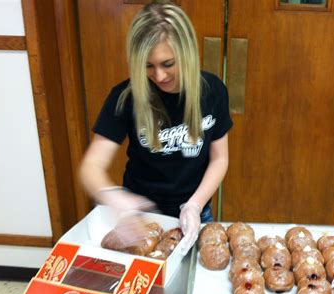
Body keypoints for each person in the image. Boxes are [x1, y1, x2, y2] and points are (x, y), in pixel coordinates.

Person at [79, 1, 232, 255]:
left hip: (195, 209)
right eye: (148, 66)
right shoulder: (126, 97)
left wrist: (194, 205)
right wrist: (115, 198)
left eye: (168, 63)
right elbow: (91, 167)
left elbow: (219, 158)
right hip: (140, 218)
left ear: (187, 53)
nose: (159, 76)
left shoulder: (212, 91)